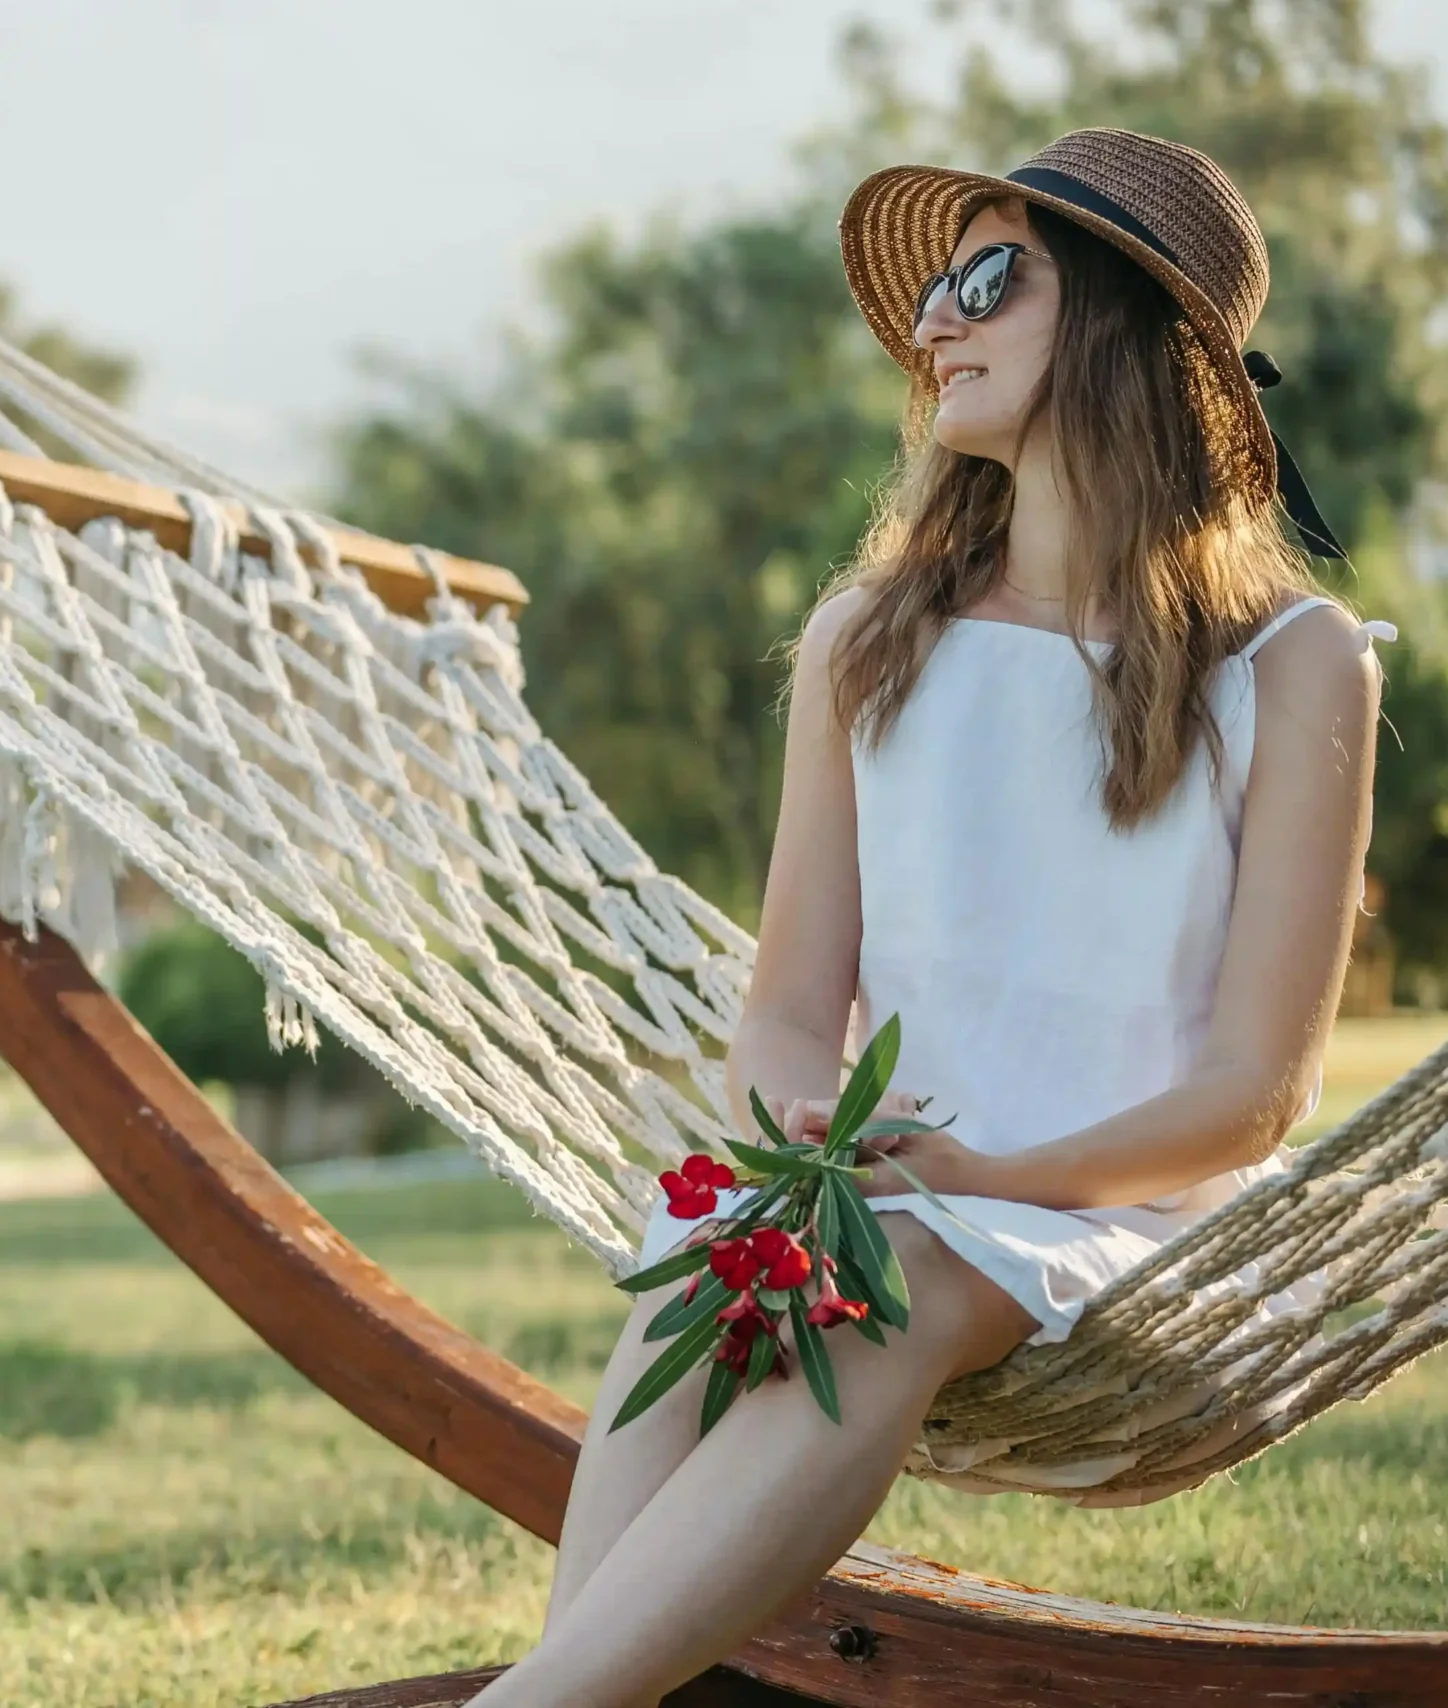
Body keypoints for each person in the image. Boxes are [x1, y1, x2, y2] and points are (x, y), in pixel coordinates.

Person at [467, 129, 1392, 1707]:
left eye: (987, 280)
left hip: (1129, 1212)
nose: (933, 326)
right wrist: (804, 1142)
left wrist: (983, 1179)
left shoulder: (1294, 666)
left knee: (884, 1272)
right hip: (895, 1186)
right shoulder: (866, 645)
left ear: (1120, 326)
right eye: (935, 294)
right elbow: (784, 1008)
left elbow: (1258, 1094)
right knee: (717, 1251)